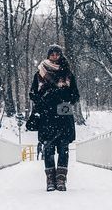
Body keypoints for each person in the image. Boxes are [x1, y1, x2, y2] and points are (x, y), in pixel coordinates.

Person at [28, 44, 80, 191]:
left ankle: (61, 180)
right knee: (48, 149)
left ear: (60, 55)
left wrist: (65, 97)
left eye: (57, 54)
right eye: (52, 54)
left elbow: (75, 95)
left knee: (63, 149)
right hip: (46, 115)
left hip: (63, 114)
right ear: (48, 55)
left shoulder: (68, 74)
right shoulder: (39, 74)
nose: (55, 56)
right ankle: (50, 181)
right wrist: (44, 99)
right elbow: (32, 94)